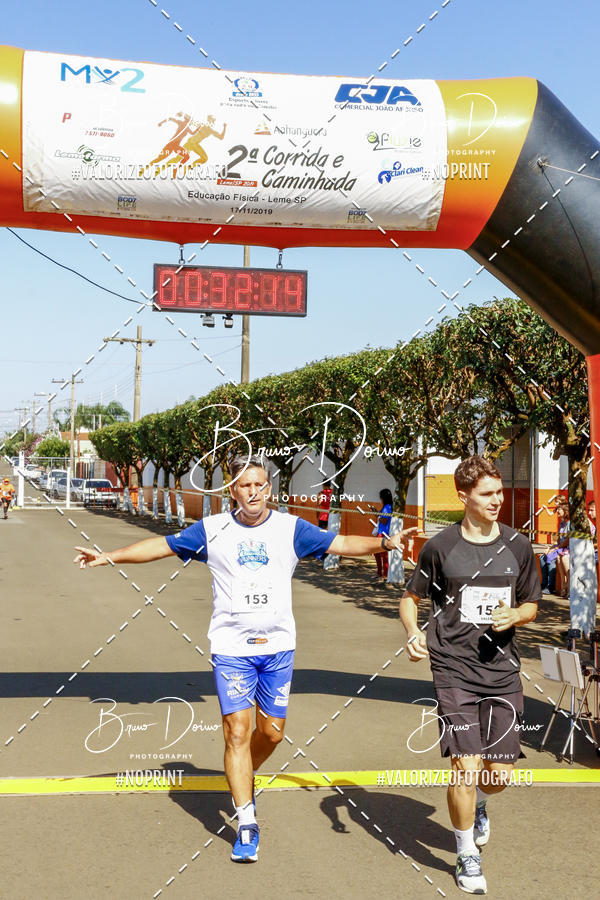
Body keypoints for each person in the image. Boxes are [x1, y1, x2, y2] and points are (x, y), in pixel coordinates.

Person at [74, 453, 417, 864]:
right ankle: (247, 820)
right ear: (231, 490)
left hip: (278, 650)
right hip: (232, 649)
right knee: (237, 731)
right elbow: (161, 547)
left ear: (269, 488)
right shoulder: (212, 529)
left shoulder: (291, 528)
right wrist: (109, 555)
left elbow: (340, 543)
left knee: (271, 733)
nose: (252, 492)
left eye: (259, 484)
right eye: (243, 485)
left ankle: (240, 774)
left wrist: (385, 542)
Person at [399, 455, 539, 895]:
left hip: (501, 671)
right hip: (453, 667)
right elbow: (410, 598)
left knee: (496, 776)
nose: (498, 500)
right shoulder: (440, 547)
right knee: (464, 764)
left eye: (500, 492)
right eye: (488, 494)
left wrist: (516, 614)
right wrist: (411, 633)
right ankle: (466, 855)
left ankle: (480, 802)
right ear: (464, 497)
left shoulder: (518, 546)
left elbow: (531, 605)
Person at [373, 488, 393, 580]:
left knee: (383, 555)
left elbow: (384, 521)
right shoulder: (386, 507)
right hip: (381, 532)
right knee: (377, 553)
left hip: (384, 534)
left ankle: (384, 574)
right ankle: (380, 572)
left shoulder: (387, 507)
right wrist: (376, 512)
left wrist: (378, 516)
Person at [554, 500, 570, 598]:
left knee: (564, 558)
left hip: (569, 548)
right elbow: (559, 539)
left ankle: (569, 587)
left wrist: (559, 547)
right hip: (563, 548)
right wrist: (553, 547)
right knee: (557, 557)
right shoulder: (561, 524)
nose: (557, 511)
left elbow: (568, 539)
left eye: (559, 509)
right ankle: (563, 586)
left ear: (566, 511)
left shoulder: (570, 524)